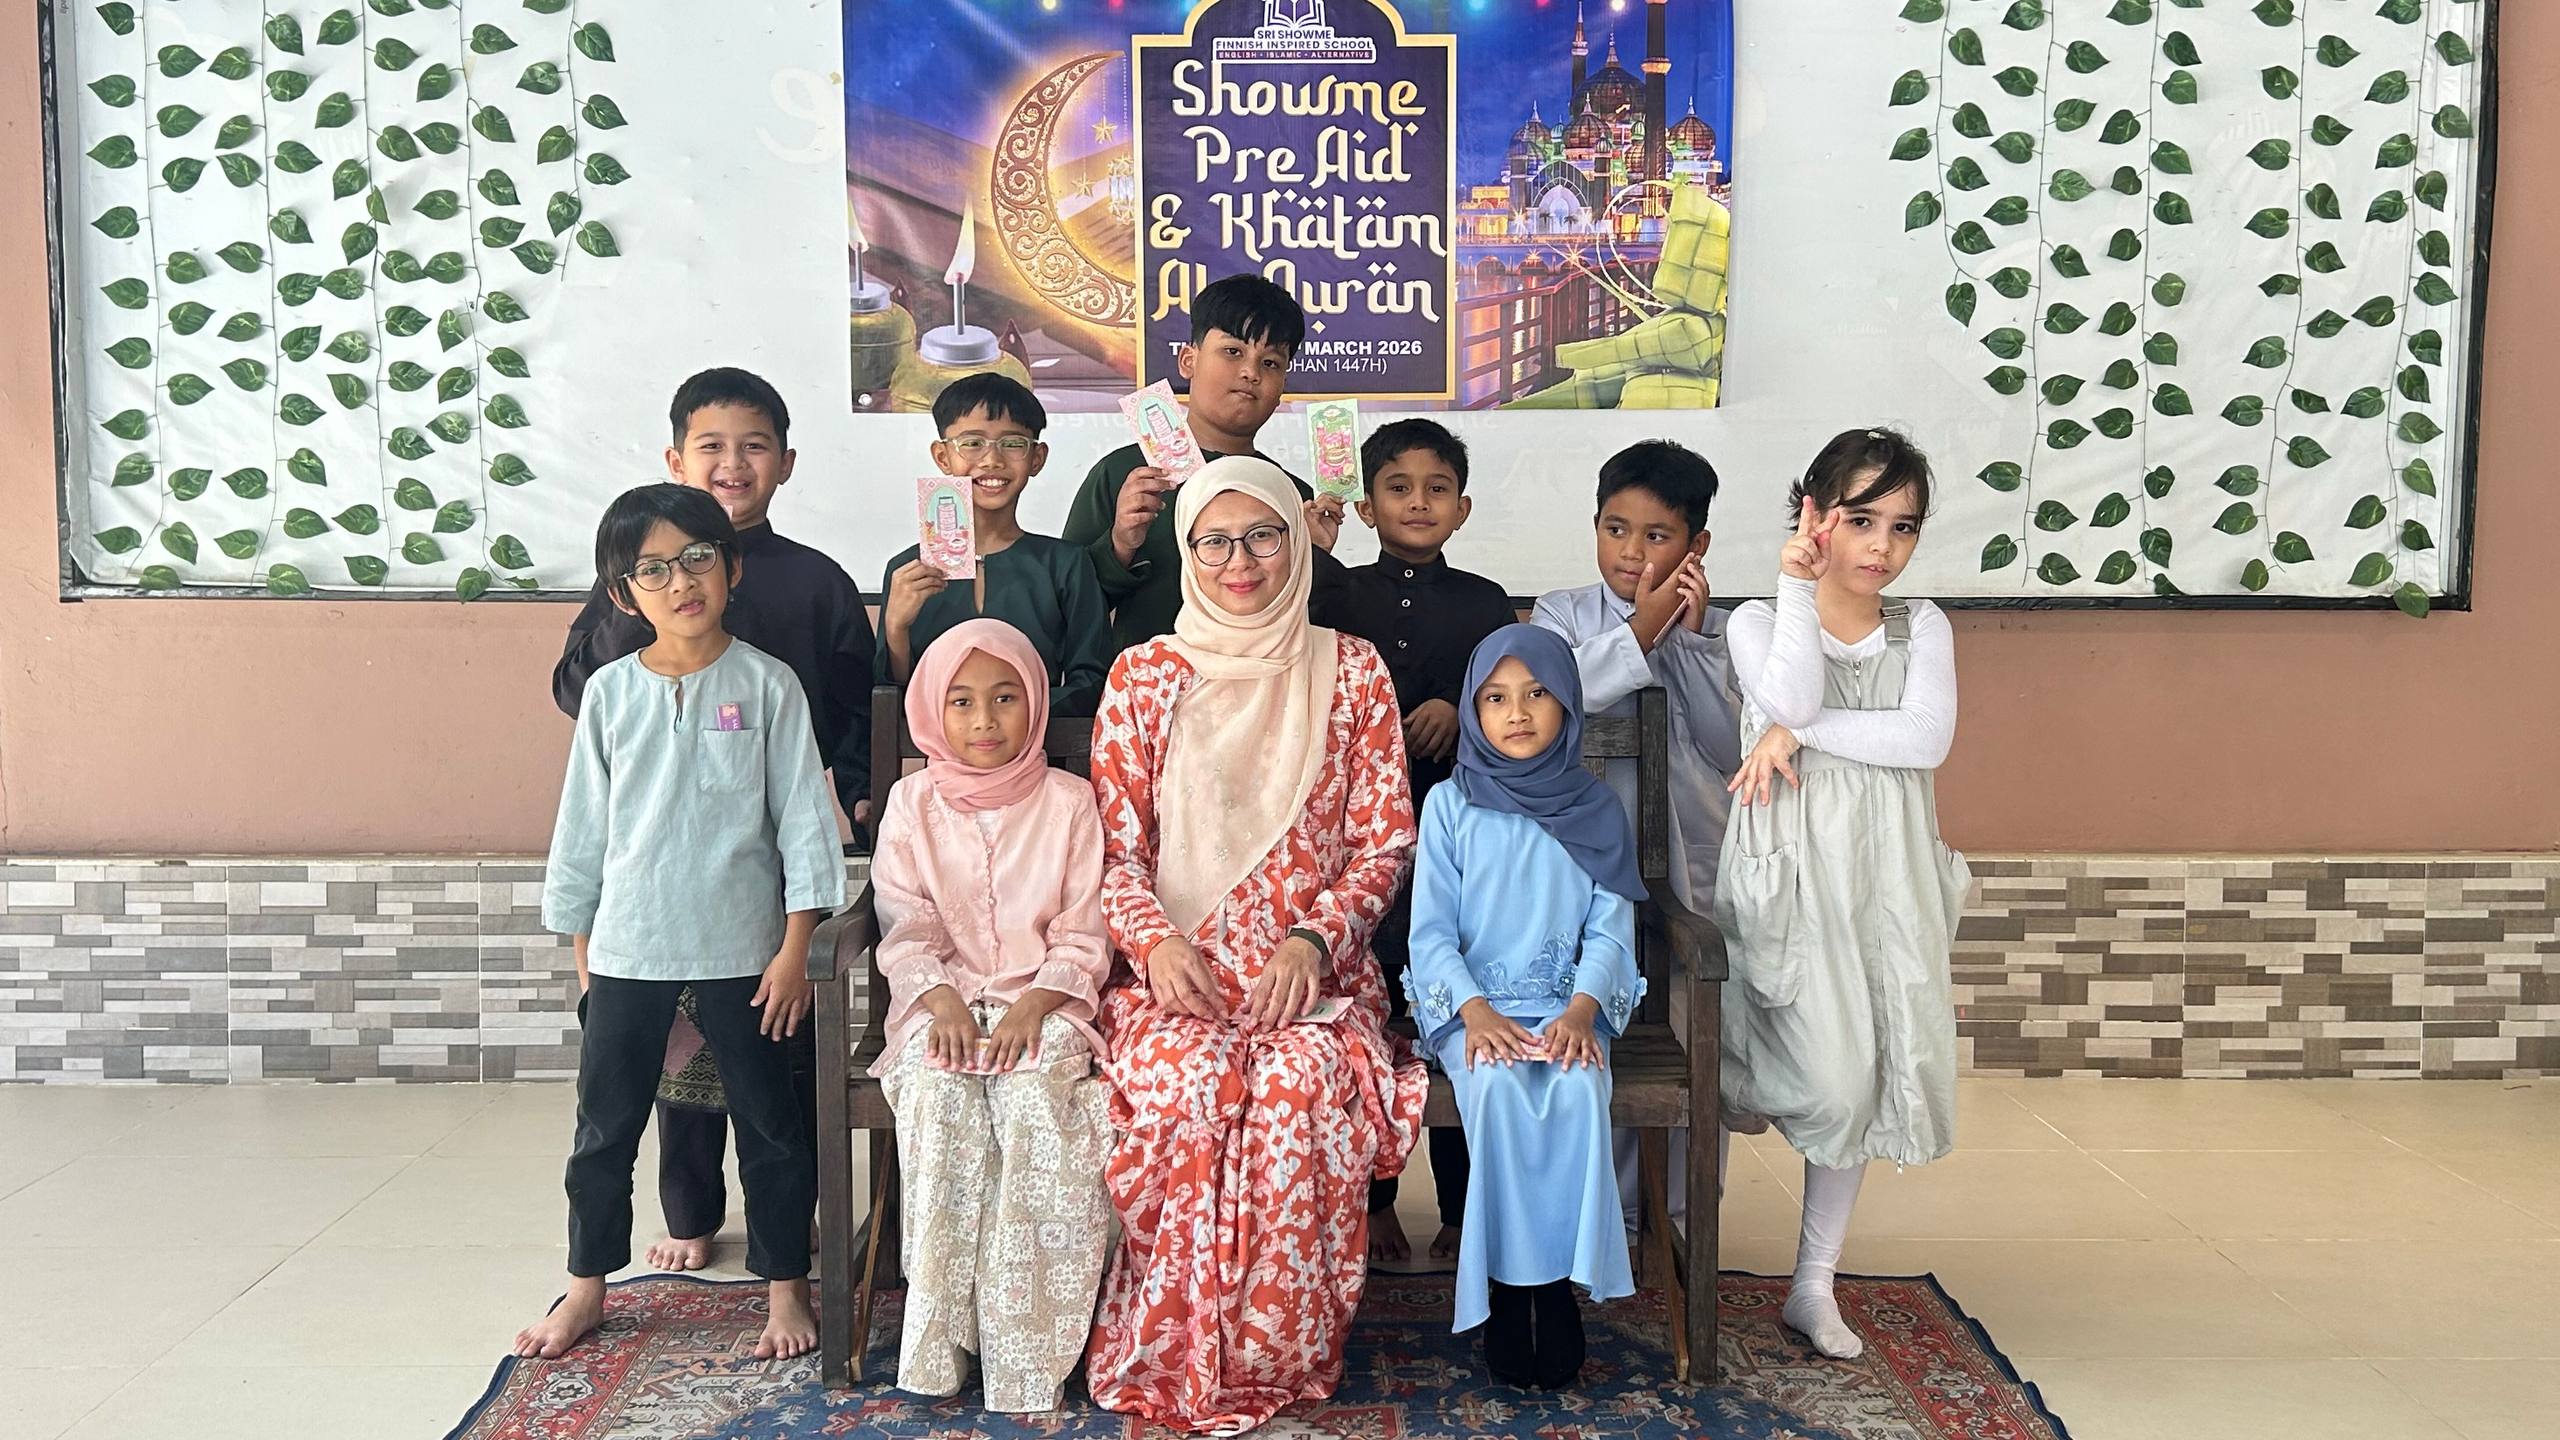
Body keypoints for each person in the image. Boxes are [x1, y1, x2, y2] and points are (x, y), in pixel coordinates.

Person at [1082, 456, 1428, 1434]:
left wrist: (1312, 942)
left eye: (1264, 535)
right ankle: (1179, 1355)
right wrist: (1155, 946)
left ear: (1297, 538)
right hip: (1174, 977)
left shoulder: (1350, 669)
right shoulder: (1144, 675)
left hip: (1312, 977)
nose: (1240, 561)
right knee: (1188, 1086)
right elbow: (1112, 851)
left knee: (1295, 1090)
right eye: (1215, 541)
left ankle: (1276, 1357)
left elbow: (1383, 842)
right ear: (1186, 552)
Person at [550, 368, 870, 1274]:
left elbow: (849, 711)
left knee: (775, 1091)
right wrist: (582, 945)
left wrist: (851, 806)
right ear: (677, 457)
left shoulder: (811, 591)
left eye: (753, 445)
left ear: (784, 462)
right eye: (712, 447)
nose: (680, 582)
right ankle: (680, 1221)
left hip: (749, 903)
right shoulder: (628, 603)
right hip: (644, 914)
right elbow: (580, 744)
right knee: (654, 1096)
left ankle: (786, 1248)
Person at [516, 484, 843, 1362]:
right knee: (603, 1131)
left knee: (771, 1130)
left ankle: (786, 1288)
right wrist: (586, 957)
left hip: (746, 953)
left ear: (730, 567)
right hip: (629, 948)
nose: (680, 582)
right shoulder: (610, 694)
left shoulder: (768, 685)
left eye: (697, 558)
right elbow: (583, 830)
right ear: (623, 595)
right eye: (652, 569)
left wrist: (795, 950)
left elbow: (804, 824)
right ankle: (586, 1286)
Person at [1717, 427, 1969, 1361]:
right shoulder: (1756, 619)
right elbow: (1789, 696)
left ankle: (1813, 1284)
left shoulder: (1922, 625)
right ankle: (1677, 1235)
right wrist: (1795, 589)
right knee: (1821, 1073)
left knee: (1865, 1078)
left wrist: (1804, 735)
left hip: (1888, 876)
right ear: (1815, 515)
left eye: (1903, 527)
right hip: (1795, 878)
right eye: (1861, 520)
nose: (1882, 547)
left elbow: (1925, 739)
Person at [869, 619, 1114, 1413]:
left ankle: (1025, 1352)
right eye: (962, 701)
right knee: (938, 1095)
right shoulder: (911, 803)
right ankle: (939, 1342)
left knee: (1038, 1102)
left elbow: (1083, 930)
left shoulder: (1070, 803)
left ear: (1035, 702)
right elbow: (906, 924)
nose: (984, 721)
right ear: (933, 710)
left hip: (1047, 1001)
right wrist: (941, 999)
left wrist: (1035, 1004)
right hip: (935, 1001)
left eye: (1005, 698)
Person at [1407, 624, 1644, 1390]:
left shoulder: (1596, 807)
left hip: (1566, 1009)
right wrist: (1473, 1012)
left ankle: (1559, 1288)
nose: (1517, 712)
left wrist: (1582, 1011)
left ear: (1567, 703)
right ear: (1473, 711)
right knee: (1502, 1094)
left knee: (1576, 1091)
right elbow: (1430, 931)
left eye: (1537, 693)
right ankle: (1511, 1295)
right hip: (1475, 1013)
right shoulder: (1450, 806)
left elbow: (1609, 926)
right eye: (1496, 698)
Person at [1309, 418, 1513, 1265]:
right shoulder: (1335, 594)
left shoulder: (1485, 600)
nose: (1418, 502)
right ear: (1366, 506)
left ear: (1462, 507)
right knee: (1373, 1015)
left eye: (1437, 489)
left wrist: (1458, 712)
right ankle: (1377, 1202)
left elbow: (1510, 696)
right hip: (1356, 840)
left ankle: (1462, 1209)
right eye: (1398, 488)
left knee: (1452, 1010)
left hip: (1455, 833)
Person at [1530, 439, 1739, 1228]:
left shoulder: (1724, 631)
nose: (1632, 551)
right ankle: (1608, 1219)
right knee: (1599, 1035)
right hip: (1583, 881)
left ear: (1696, 545)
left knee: (1692, 1038)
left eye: (1657, 535)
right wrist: (1641, 633)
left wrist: (1689, 640)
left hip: (1693, 874)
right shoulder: (1560, 615)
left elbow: (1732, 746)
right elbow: (1553, 701)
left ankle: (1682, 1221)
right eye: (1616, 529)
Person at [1059, 275, 1324, 648]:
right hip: (1148, 682)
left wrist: (1318, 561)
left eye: (1270, 362)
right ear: (1188, 360)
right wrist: (1120, 543)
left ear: (1282, 385)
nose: (1251, 373)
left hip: (1263, 681)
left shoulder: (1292, 494)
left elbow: (1303, 623)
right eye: (1232, 351)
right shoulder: (1123, 475)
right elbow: (1066, 609)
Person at [876, 375, 1115, 714]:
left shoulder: (1066, 565)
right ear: (943, 457)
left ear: (1037, 458)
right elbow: (891, 703)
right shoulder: (907, 571)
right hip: (937, 749)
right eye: (972, 443)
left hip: (1043, 744)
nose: (992, 460)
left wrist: (1015, 716)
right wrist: (896, 628)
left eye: (1013, 443)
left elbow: (1091, 683)